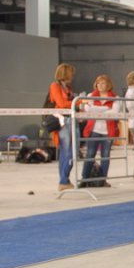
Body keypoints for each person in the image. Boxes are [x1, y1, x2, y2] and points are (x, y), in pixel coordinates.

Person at [79, 74, 122, 187]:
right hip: (94, 130)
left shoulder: (115, 98)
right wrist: (106, 109)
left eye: (104, 83)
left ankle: (102, 180)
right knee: (90, 154)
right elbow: (88, 110)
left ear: (108, 85)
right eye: (99, 83)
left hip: (108, 132)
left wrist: (97, 111)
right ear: (96, 85)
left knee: (105, 156)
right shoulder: (90, 96)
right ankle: (84, 180)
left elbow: (115, 113)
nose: (101, 85)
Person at [49, 63, 77, 191]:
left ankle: (64, 180)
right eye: (71, 73)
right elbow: (61, 103)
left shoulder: (68, 88)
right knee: (69, 152)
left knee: (66, 153)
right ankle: (63, 180)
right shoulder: (55, 86)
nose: (73, 76)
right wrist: (79, 101)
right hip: (63, 122)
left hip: (70, 120)